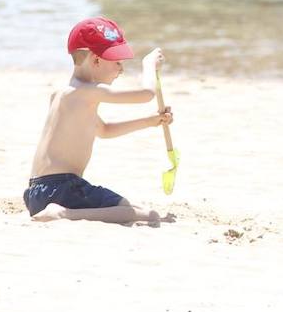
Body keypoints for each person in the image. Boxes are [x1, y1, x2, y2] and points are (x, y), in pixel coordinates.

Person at [24, 17, 173, 223]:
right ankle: (64, 214)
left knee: (132, 206)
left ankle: (59, 211)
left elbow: (104, 130)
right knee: (149, 215)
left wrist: (150, 120)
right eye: (117, 62)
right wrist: (148, 65)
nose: (121, 69)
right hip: (63, 188)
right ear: (95, 60)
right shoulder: (87, 92)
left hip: (36, 192)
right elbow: (146, 93)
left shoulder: (64, 94)